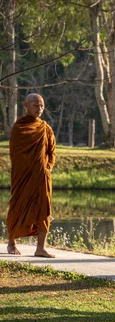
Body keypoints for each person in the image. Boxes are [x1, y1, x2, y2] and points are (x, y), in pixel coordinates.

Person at [6, 93, 56, 258]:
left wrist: (47, 167)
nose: (40, 109)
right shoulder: (18, 127)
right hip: (22, 176)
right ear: (26, 106)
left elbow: (51, 151)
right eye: (36, 105)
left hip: (41, 177)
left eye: (42, 105)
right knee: (17, 206)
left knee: (44, 209)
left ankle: (40, 248)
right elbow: (15, 153)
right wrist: (27, 167)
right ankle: (11, 242)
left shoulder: (45, 128)